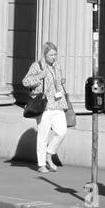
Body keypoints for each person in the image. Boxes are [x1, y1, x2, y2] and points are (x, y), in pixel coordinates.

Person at [22, 42, 71, 173]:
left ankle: (49, 153)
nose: (54, 57)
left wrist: (61, 80)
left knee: (62, 131)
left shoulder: (57, 66)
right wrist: (40, 76)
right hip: (44, 105)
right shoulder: (37, 66)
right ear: (44, 55)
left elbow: (56, 82)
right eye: (51, 55)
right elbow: (25, 81)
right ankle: (42, 163)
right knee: (43, 135)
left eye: (55, 54)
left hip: (58, 104)